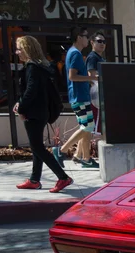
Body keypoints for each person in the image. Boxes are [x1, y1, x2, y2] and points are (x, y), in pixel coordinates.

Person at [13, 36, 73, 193]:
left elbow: (30, 91)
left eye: (19, 48)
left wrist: (21, 108)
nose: (17, 52)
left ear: (27, 49)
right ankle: (34, 179)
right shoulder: (40, 67)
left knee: (37, 147)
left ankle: (63, 177)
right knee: (36, 146)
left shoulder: (32, 67)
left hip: (34, 113)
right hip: (41, 112)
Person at [52, 26, 99, 168]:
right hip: (79, 97)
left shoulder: (74, 53)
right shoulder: (75, 54)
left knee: (87, 127)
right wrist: (91, 78)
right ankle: (61, 150)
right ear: (79, 37)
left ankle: (85, 158)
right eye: (86, 36)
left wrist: (91, 80)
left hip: (80, 96)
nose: (88, 39)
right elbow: (72, 76)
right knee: (87, 126)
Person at [72, 30, 106, 163]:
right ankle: (67, 150)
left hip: (95, 96)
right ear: (92, 42)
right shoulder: (93, 57)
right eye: (99, 41)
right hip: (95, 97)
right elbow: (92, 77)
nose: (102, 44)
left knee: (87, 128)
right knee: (89, 128)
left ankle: (77, 155)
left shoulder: (99, 57)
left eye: (104, 41)